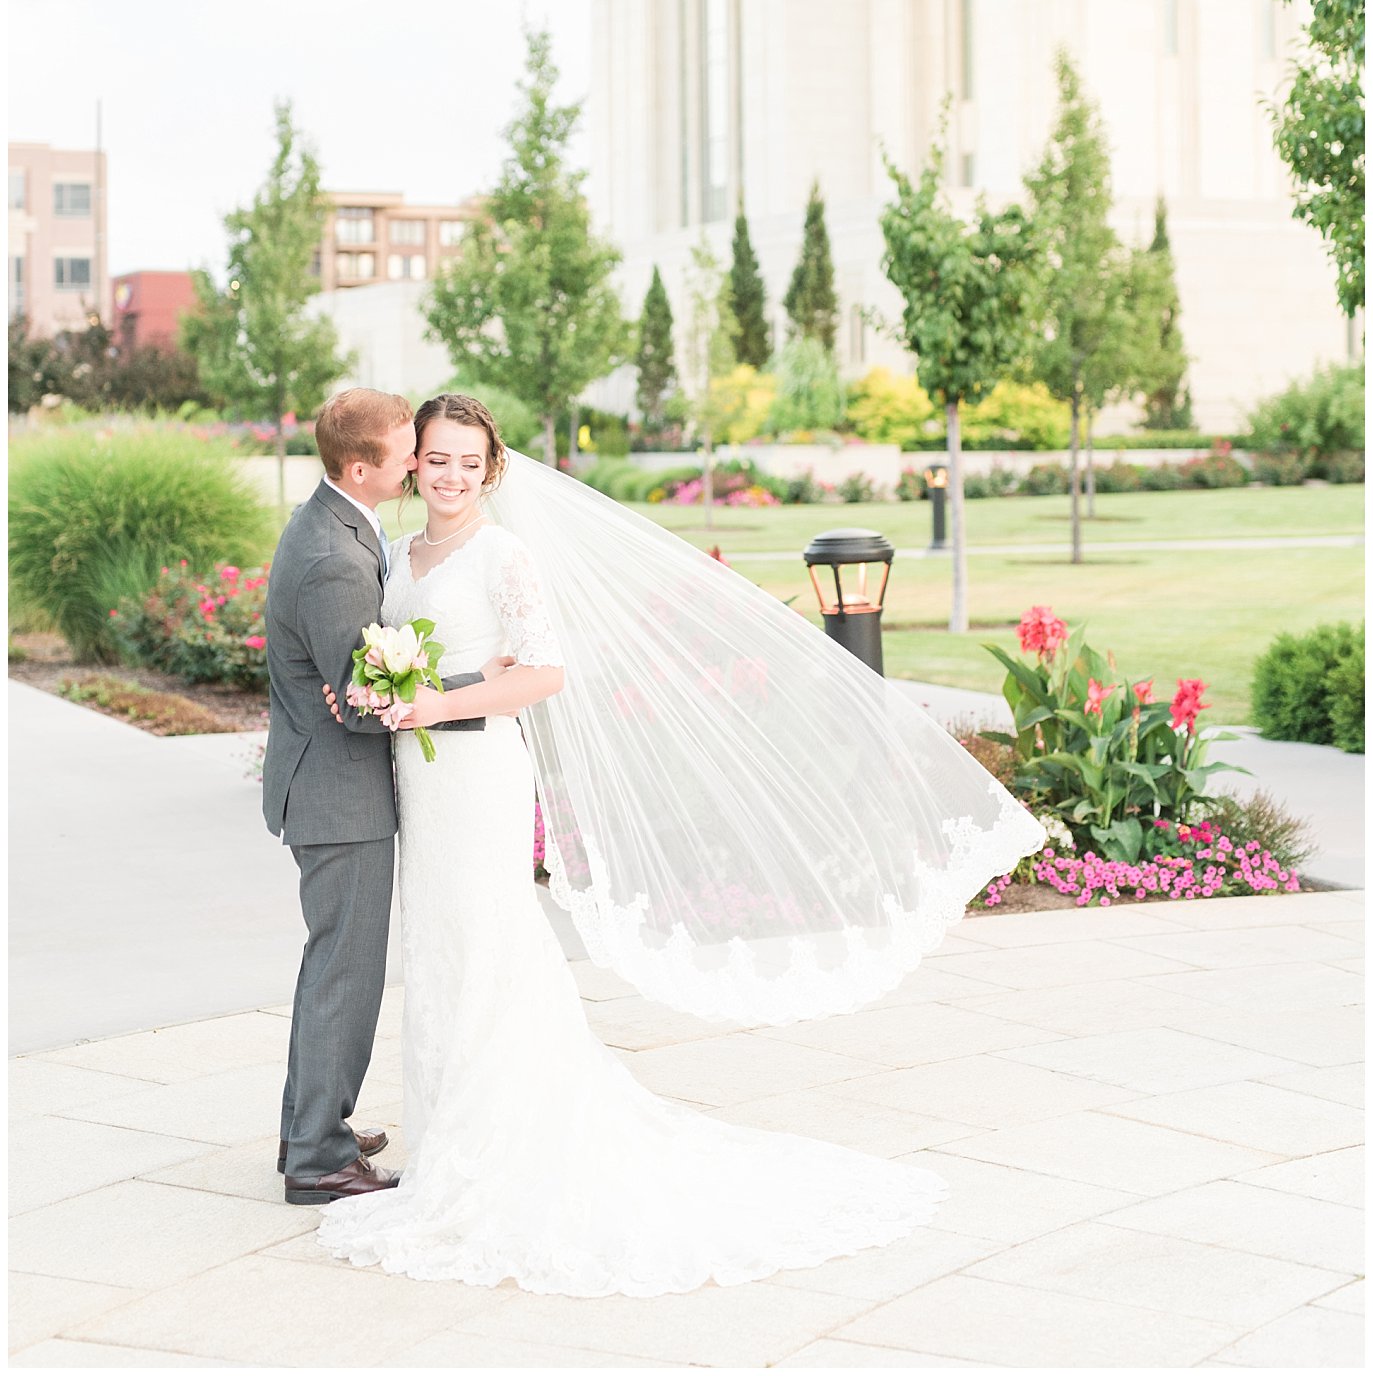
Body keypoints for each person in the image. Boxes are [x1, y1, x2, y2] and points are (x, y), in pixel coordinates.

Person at [314, 391, 1044, 1294]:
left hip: (480, 776)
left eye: (471, 460)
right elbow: (419, 656)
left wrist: (438, 702)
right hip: (420, 783)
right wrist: (390, 694)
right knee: (438, 947)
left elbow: (544, 673)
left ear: (488, 466)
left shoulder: (505, 555)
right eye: (438, 458)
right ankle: (448, 1139)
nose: (455, 475)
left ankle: (502, 1139)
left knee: (487, 937)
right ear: (413, 463)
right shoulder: (401, 552)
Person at [262, 387, 510, 1206]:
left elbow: (361, 687)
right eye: (409, 452)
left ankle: (314, 1125)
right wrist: (467, 686)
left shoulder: (343, 523)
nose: (420, 461)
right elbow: (366, 703)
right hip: (339, 795)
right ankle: (318, 1158)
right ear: (362, 467)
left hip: (337, 787)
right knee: (345, 971)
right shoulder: (335, 556)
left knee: (334, 965)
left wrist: (365, 692)